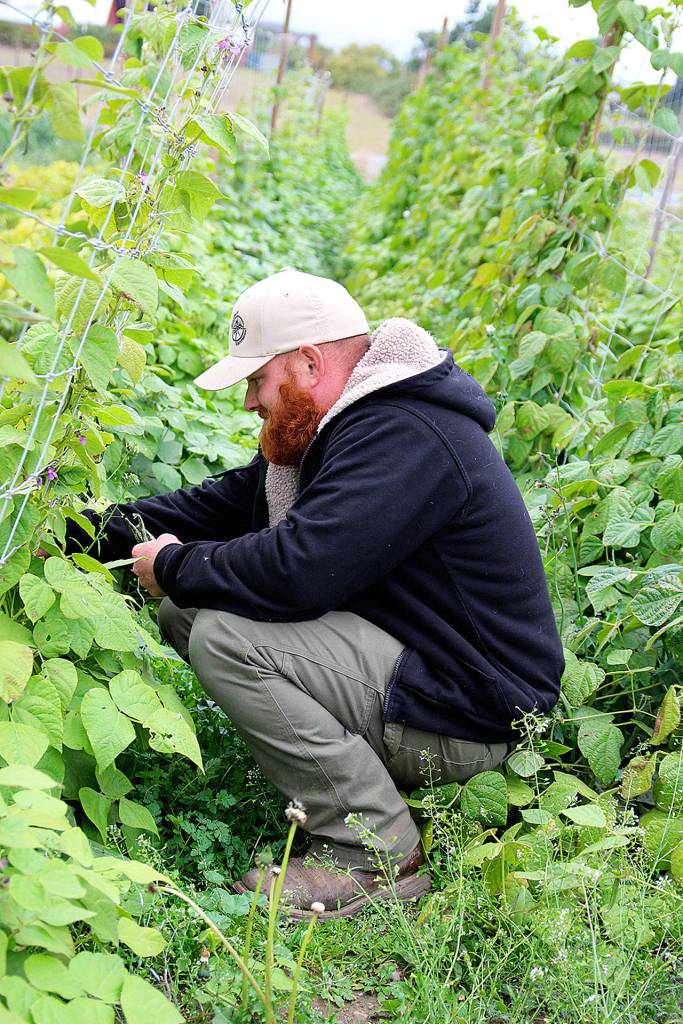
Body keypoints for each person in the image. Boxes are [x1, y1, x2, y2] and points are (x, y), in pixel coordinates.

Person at [66, 267, 564, 919]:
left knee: (225, 634)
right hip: (425, 678)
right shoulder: (346, 427)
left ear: (306, 362)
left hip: (471, 713)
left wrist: (179, 564)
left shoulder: (402, 433)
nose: (249, 402)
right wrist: (72, 528)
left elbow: (301, 571)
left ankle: (375, 852)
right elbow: (213, 506)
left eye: (254, 380)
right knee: (188, 610)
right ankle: (341, 778)